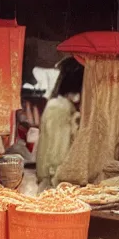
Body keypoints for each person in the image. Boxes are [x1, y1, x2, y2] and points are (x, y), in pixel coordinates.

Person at [36, 60, 82, 188]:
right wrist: (57, 177)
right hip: (54, 179)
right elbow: (57, 149)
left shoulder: (61, 106)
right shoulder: (60, 109)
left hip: (53, 177)